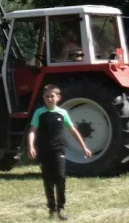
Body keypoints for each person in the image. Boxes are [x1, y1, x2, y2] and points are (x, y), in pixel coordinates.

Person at [27, 84, 92, 220]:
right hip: (44, 150)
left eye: (52, 96)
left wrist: (84, 147)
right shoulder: (39, 113)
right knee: (48, 180)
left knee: (60, 178)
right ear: (43, 98)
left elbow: (73, 131)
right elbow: (32, 130)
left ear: (58, 97)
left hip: (59, 150)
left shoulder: (62, 113)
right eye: (47, 96)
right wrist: (31, 146)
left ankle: (61, 207)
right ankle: (52, 208)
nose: (49, 99)